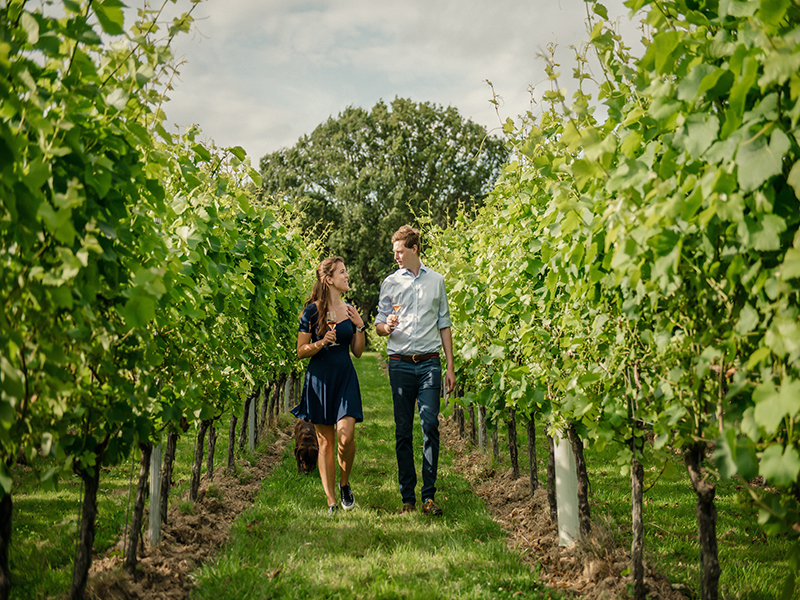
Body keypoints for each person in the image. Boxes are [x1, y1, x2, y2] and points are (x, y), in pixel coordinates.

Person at [375, 225, 456, 516]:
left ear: (413, 249)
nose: (395, 257)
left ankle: (428, 496)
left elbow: (444, 323)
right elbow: (379, 324)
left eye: (399, 251)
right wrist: (388, 327)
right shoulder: (390, 283)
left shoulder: (436, 281)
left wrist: (450, 365)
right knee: (402, 432)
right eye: (394, 252)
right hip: (399, 363)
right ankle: (407, 498)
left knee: (430, 425)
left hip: (429, 363)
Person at [292, 257, 367, 515]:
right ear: (329, 279)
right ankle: (331, 501)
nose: (347, 276)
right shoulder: (311, 313)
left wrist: (360, 326)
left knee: (346, 438)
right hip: (320, 380)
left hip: (344, 376)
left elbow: (357, 352)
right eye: (342, 272)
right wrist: (321, 342)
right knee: (325, 443)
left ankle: (345, 484)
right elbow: (301, 351)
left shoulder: (349, 309)